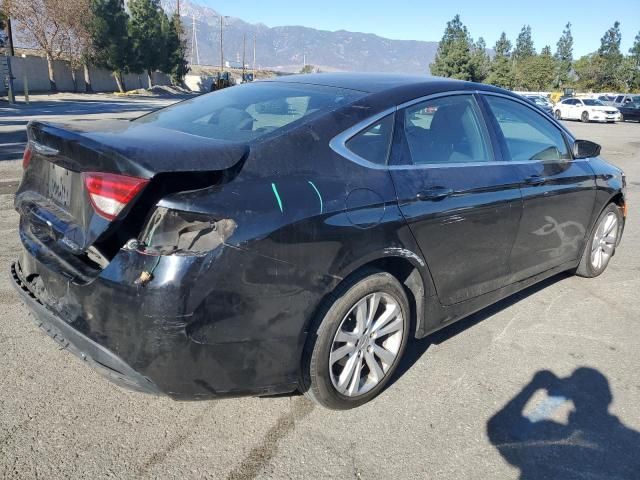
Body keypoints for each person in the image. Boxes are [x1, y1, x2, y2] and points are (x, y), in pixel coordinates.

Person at [487, 368, 640, 480]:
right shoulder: (633, 441)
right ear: (608, 398)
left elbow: (496, 428)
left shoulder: (549, 432)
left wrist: (533, 386)